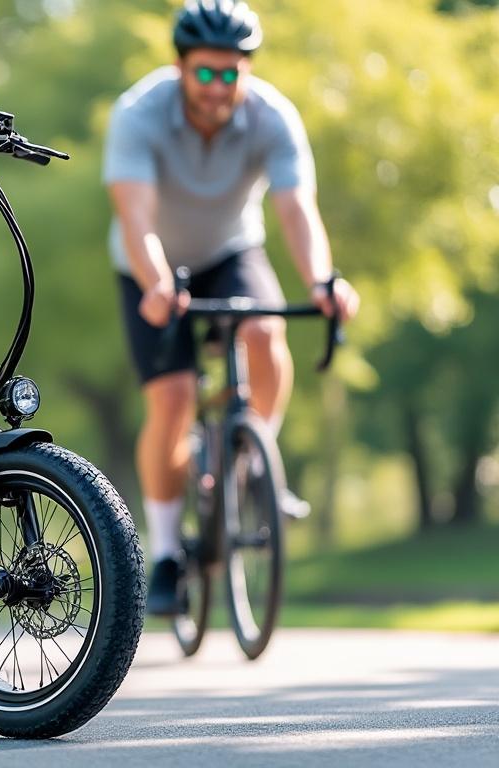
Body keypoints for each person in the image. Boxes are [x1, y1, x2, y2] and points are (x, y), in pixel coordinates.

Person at [102, 0, 359, 616]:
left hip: (231, 248)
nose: (219, 86)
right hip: (150, 261)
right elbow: (134, 214)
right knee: (172, 398)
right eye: (207, 72)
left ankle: (250, 460)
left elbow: (297, 210)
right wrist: (159, 283)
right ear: (181, 67)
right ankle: (165, 553)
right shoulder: (139, 113)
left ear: (246, 69)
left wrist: (323, 279)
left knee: (268, 336)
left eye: (232, 72)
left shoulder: (273, 116)